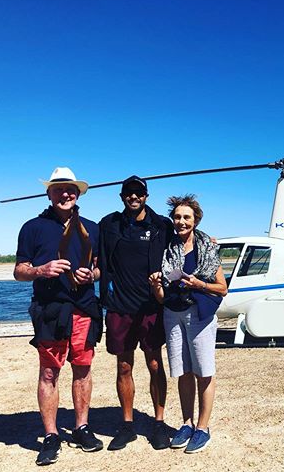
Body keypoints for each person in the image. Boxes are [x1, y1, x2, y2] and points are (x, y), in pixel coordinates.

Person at [14, 167, 103, 466]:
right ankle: (51, 435)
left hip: (84, 308)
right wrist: (41, 270)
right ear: (49, 193)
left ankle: (81, 427)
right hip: (50, 310)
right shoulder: (33, 227)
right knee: (50, 372)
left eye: (71, 190)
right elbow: (19, 271)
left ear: (78, 194)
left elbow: (100, 268)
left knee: (83, 369)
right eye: (59, 189)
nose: (66, 194)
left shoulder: (92, 227)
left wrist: (91, 274)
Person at [98, 175, 173, 450]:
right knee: (124, 366)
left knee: (155, 364)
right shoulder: (109, 225)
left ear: (146, 196)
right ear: (121, 197)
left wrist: (207, 241)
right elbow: (91, 252)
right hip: (120, 307)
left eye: (138, 193)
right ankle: (127, 425)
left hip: (151, 307)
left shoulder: (161, 226)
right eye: (128, 193)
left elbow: (184, 242)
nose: (133, 197)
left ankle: (159, 422)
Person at [148, 194, 227, 454]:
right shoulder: (168, 248)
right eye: (177, 217)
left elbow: (222, 289)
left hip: (200, 314)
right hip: (173, 313)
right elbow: (162, 298)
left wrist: (199, 284)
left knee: (204, 371)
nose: (181, 221)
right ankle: (186, 423)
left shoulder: (207, 247)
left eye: (186, 217)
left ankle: (202, 428)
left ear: (195, 220)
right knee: (182, 371)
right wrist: (157, 287)